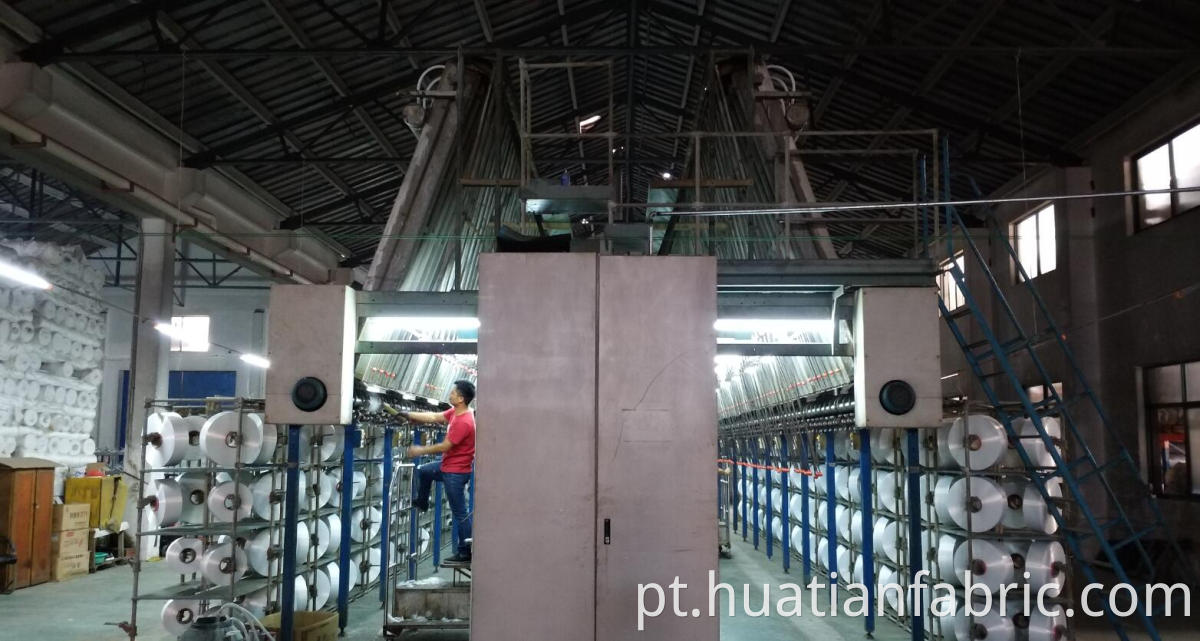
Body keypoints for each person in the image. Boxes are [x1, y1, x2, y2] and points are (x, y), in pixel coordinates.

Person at [400, 379, 476, 563]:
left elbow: (445, 446)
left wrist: (420, 450)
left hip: (455, 473)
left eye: (453, 392)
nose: (450, 394)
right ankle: (423, 501)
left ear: (461, 398)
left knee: (460, 513)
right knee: (424, 471)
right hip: (448, 467)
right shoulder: (456, 413)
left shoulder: (464, 421)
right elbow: (435, 417)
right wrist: (409, 414)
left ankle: (466, 553)